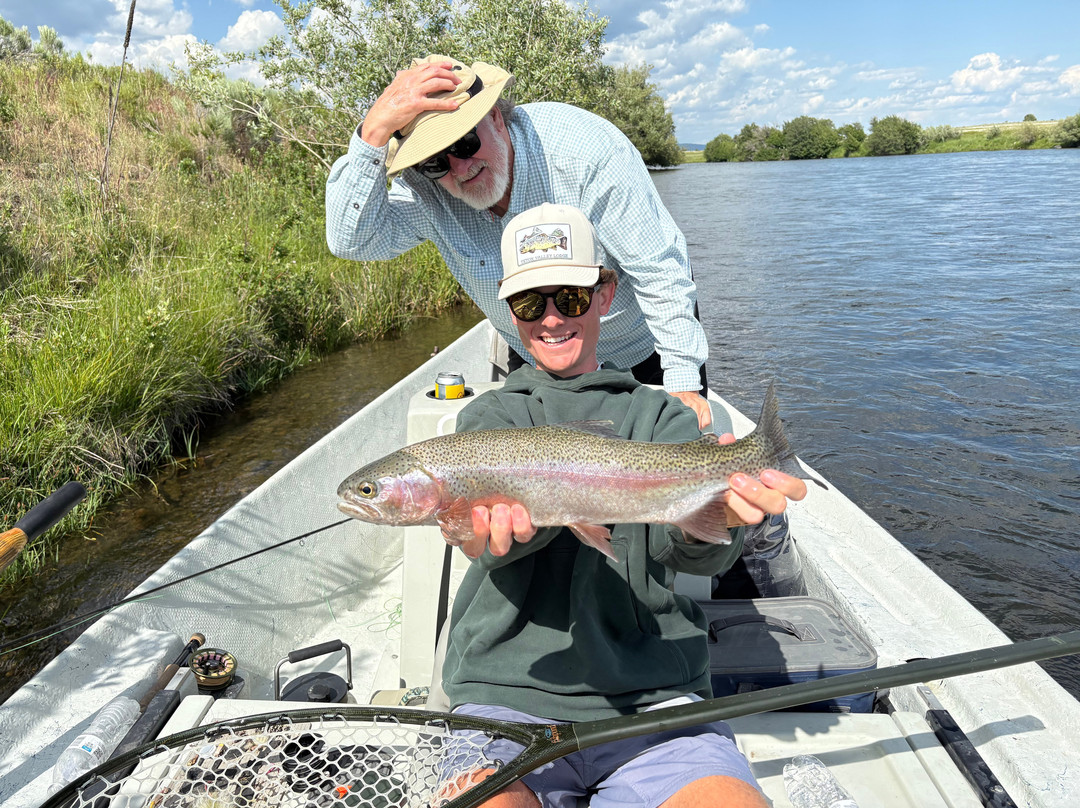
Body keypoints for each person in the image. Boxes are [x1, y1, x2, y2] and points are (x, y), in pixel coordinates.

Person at [438, 203, 808, 808]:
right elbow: (490, 547)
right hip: (508, 695)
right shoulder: (489, 422)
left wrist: (731, 517)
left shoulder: (661, 417)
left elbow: (686, 548)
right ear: (511, 313)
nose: (552, 318)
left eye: (570, 298)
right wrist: (479, 539)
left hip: (655, 702)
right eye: (532, 304)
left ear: (605, 295)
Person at [325, 54, 714, 429]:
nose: (460, 168)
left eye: (464, 143)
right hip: (536, 354)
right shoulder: (427, 192)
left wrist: (681, 383)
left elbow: (660, 270)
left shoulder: (586, 150)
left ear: (494, 116)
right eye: (435, 161)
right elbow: (351, 240)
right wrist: (371, 133)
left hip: (642, 352)